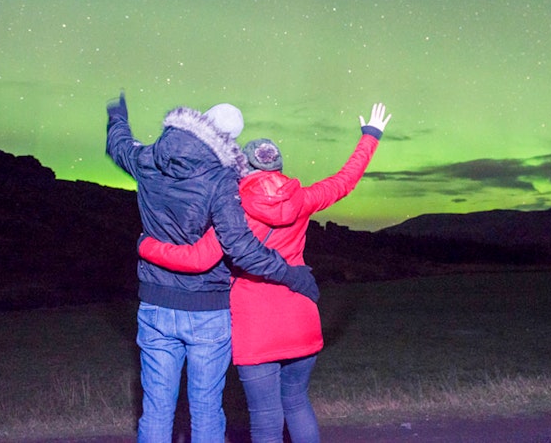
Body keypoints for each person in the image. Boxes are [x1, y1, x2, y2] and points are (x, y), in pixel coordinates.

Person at [139, 103, 392, 443]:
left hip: (255, 324)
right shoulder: (302, 199)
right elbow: (345, 181)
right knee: (298, 404)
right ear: (279, 165)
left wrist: (147, 246)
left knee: (265, 419)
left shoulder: (233, 208)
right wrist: (370, 136)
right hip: (301, 315)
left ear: (243, 168)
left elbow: (199, 259)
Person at [105, 93, 319, 443]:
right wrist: (290, 274)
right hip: (208, 309)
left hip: (156, 304)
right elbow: (242, 248)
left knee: (157, 408)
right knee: (205, 407)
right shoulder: (222, 181)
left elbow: (119, 145)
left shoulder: (147, 158)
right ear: (228, 141)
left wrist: (117, 117)